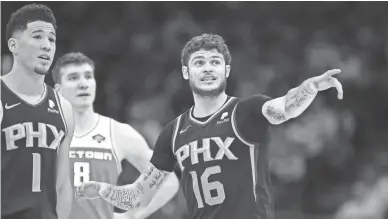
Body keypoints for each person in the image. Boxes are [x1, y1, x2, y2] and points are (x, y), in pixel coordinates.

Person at [75, 33, 343, 219]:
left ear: (226, 70)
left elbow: (284, 108)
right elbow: (138, 195)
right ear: (185, 72)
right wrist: (101, 190)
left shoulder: (246, 110)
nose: (207, 68)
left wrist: (309, 89)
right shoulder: (174, 131)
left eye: (215, 62)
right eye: (198, 62)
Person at [51, 52, 180, 219]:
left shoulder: (118, 132)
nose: (83, 84)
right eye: (74, 78)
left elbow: (167, 180)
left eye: (88, 76)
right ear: (58, 90)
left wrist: (131, 216)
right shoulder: (43, 133)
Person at [1, 4, 74, 219]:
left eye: (51, 39)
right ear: (13, 45)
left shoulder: (63, 108)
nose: (46, 45)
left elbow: (62, 185)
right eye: (37, 36)